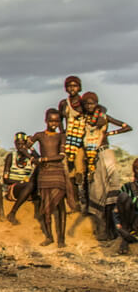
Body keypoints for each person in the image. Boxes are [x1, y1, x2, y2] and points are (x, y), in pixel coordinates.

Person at [80, 92, 131, 239]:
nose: (89, 106)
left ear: (96, 104)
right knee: (96, 192)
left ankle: (112, 229)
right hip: (90, 156)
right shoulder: (82, 120)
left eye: (92, 103)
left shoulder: (103, 117)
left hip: (105, 154)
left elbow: (127, 127)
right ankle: (102, 230)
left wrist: (109, 134)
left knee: (111, 192)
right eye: (87, 104)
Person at [27, 109, 75, 246]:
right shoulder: (39, 135)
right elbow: (24, 146)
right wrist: (32, 157)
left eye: (56, 121)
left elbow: (61, 155)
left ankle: (61, 239)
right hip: (44, 174)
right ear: (46, 120)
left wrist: (43, 159)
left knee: (60, 206)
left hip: (58, 172)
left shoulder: (61, 136)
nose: (53, 123)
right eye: (51, 120)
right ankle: (49, 237)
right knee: (46, 205)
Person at [58, 75, 88, 210]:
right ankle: (73, 203)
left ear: (79, 87)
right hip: (69, 141)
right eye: (69, 86)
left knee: (81, 173)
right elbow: (58, 119)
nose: (72, 88)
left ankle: (87, 203)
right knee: (69, 174)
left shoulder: (85, 102)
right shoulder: (64, 103)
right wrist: (62, 133)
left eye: (75, 85)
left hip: (82, 142)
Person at [3, 132, 38, 224]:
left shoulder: (30, 157)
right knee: (29, 185)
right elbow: (5, 179)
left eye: (23, 144)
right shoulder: (11, 157)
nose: (21, 147)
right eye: (19, 144)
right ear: (15, 144)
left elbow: (40, 162)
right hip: (14, 188)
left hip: (27, 187)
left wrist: (30, 149)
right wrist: (21, 181)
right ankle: (12, 213)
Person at [111, 159, 138, 254]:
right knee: (123, 197)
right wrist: (119, 227)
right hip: (130, 222)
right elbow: (116, 211)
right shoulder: (127, 187)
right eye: (137, 169)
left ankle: (127, 238)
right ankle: (126, 236)